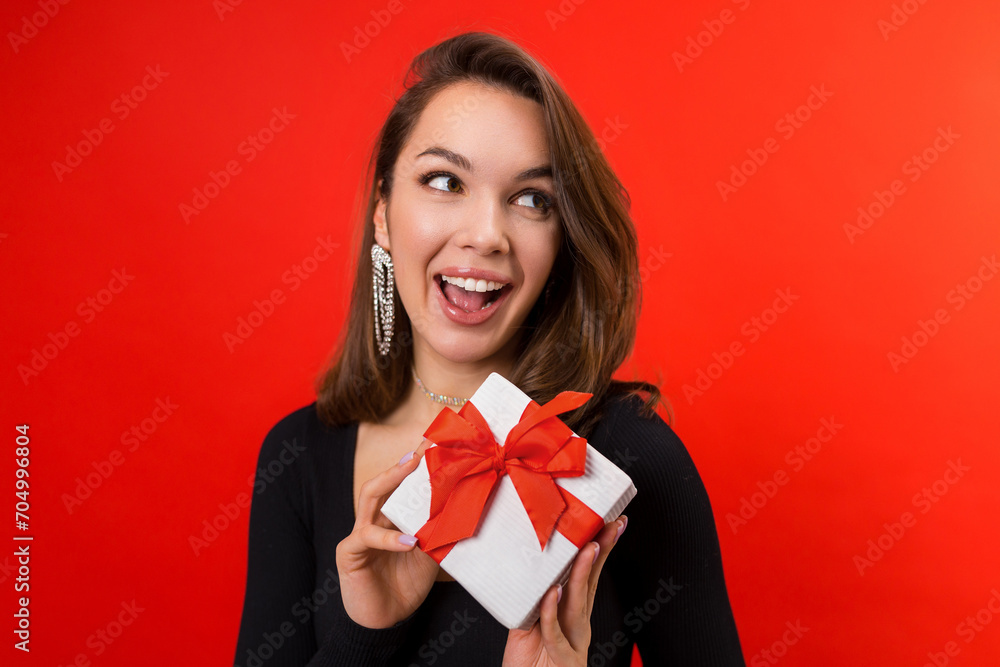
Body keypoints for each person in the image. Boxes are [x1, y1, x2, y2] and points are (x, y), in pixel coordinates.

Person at [234, 30, 745, 666]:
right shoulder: (298, 458)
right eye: (444, 181)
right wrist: (365, 632)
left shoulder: (633, 455)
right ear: (384, 214)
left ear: (562, 242)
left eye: (532, 199)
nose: (486, 234)